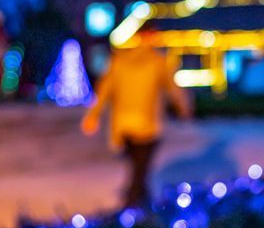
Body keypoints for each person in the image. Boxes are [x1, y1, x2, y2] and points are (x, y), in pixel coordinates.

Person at [82, 31, 191, 209]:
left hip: (124, 125)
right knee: (140, 169)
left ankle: (140, 203)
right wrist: (184, 108)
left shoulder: (120, 61)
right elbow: (174, 90)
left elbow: (104, 90)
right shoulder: (158, 62)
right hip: (147, 126)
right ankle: (132, 207)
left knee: (138, 169)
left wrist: (93, 115)